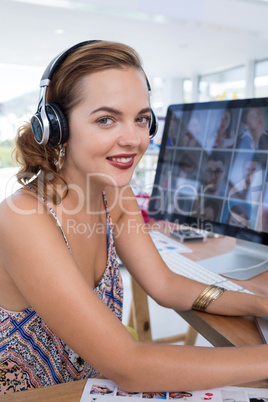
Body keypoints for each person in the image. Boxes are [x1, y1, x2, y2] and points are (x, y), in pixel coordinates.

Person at [1, 40, 268, 396]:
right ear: (56, 127)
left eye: (141, 118)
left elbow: (166, 285)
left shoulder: (112, 191)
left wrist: (259, 304)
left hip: (88, 388)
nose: (133, 139)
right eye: (106, 119)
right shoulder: (22, 218)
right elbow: (130, 366)